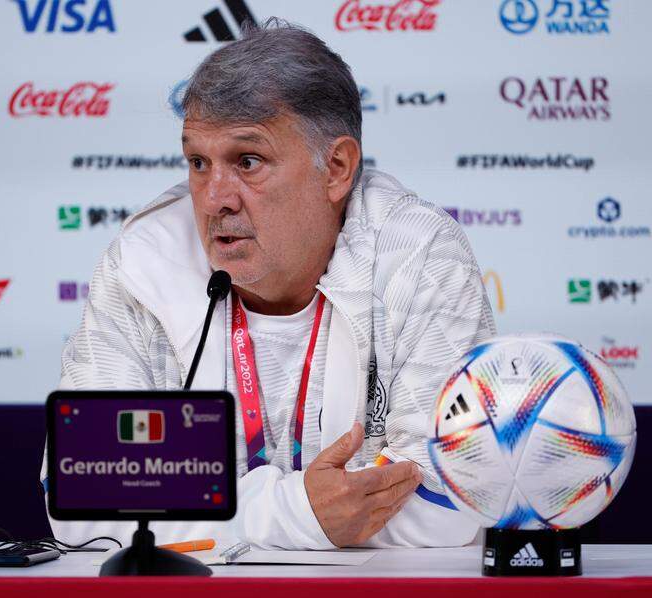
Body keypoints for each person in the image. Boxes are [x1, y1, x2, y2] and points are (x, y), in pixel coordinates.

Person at [44, 20, 495, 550]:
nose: (215, 200)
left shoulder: (417, 254)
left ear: (337, 168)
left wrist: (201, 517)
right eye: (198, 162)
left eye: (248, 161)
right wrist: (299, 513)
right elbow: (82, 501)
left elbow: (451, 501)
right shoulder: (144, 262)